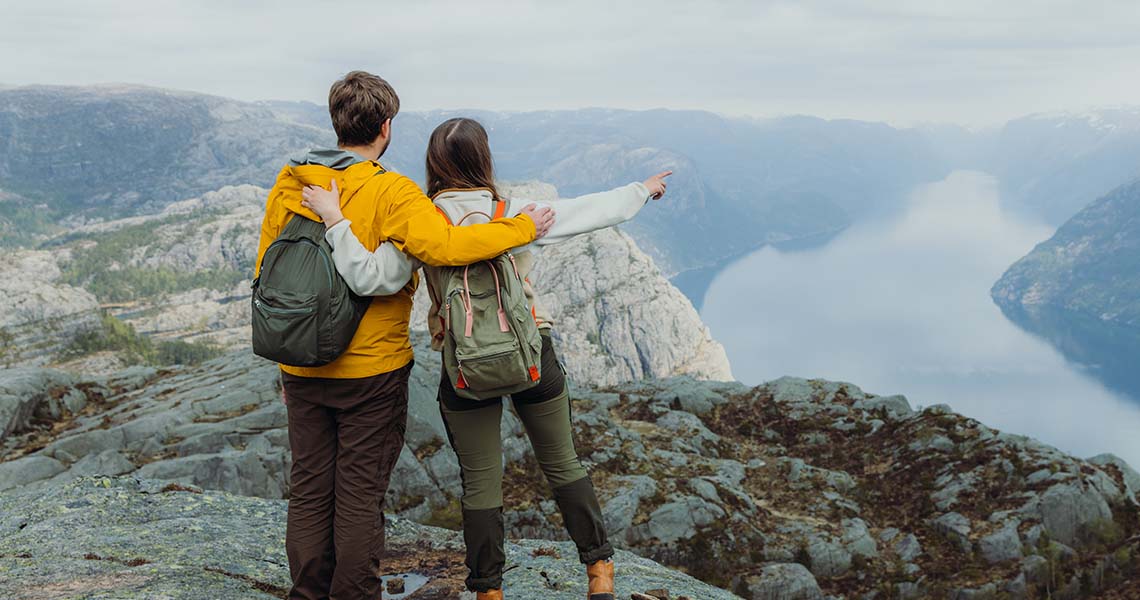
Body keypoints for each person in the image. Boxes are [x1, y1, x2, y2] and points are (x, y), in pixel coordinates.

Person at [300, 116, 670, 600]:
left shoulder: (420, 221)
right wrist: (642, 190)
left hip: (464, 366)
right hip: (531, 354)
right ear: (484, 159)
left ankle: (488, 592)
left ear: (433, 164)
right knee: (563, 465)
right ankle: (599, 572)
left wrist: (335, 221)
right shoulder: (514, 212)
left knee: (480, 484)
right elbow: (593, 210)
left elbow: (373, 278)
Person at [254, 73, 556, 600]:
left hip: (301, 366)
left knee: (308, 490)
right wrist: (522, 227)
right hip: (370, 371)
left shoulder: (290, 181)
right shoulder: (392, 190)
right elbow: (447, 247)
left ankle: (306, 594)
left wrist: (289, 359)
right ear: (386, 127)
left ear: (336, 121)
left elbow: (269, 272)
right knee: (358, 497)